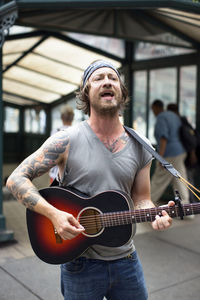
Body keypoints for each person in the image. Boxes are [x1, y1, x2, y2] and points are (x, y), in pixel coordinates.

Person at [6, 60, 174, 300]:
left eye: (113, 77)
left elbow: (142, 199)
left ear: (121, 91)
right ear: (86, 92)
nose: (107, 81)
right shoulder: (65, 141)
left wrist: (156, 214)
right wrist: (53, 214)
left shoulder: (142, 145)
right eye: (98, 78)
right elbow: (15, 179)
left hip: (126, 260)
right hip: (79, 264)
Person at [151, 99, 189, 205]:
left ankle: (147, 205)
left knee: (159, 180)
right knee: (179, 180)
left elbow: (164, 138)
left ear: (157, 108)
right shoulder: (173, 116)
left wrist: (161, 158)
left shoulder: (161, 118)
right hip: (180, 151)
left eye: (153, 109)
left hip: (169, 153)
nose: (153, 112)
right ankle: (185, 207)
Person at [167, 103, 198, 203]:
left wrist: (192, 154)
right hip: (187, 153)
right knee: (186, 179)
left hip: (188, 155)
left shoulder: (181, 122)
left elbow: (190, 140)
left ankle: (192, 202)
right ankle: (190, 202)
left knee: (187, 179)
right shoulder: (181, 121)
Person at [49, 105, 74, 183]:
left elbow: (50, 153)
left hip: (55, 173)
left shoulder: (55, 132)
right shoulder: (77, 131)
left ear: (62, 117)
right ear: (72, 117)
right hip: (72, 175)